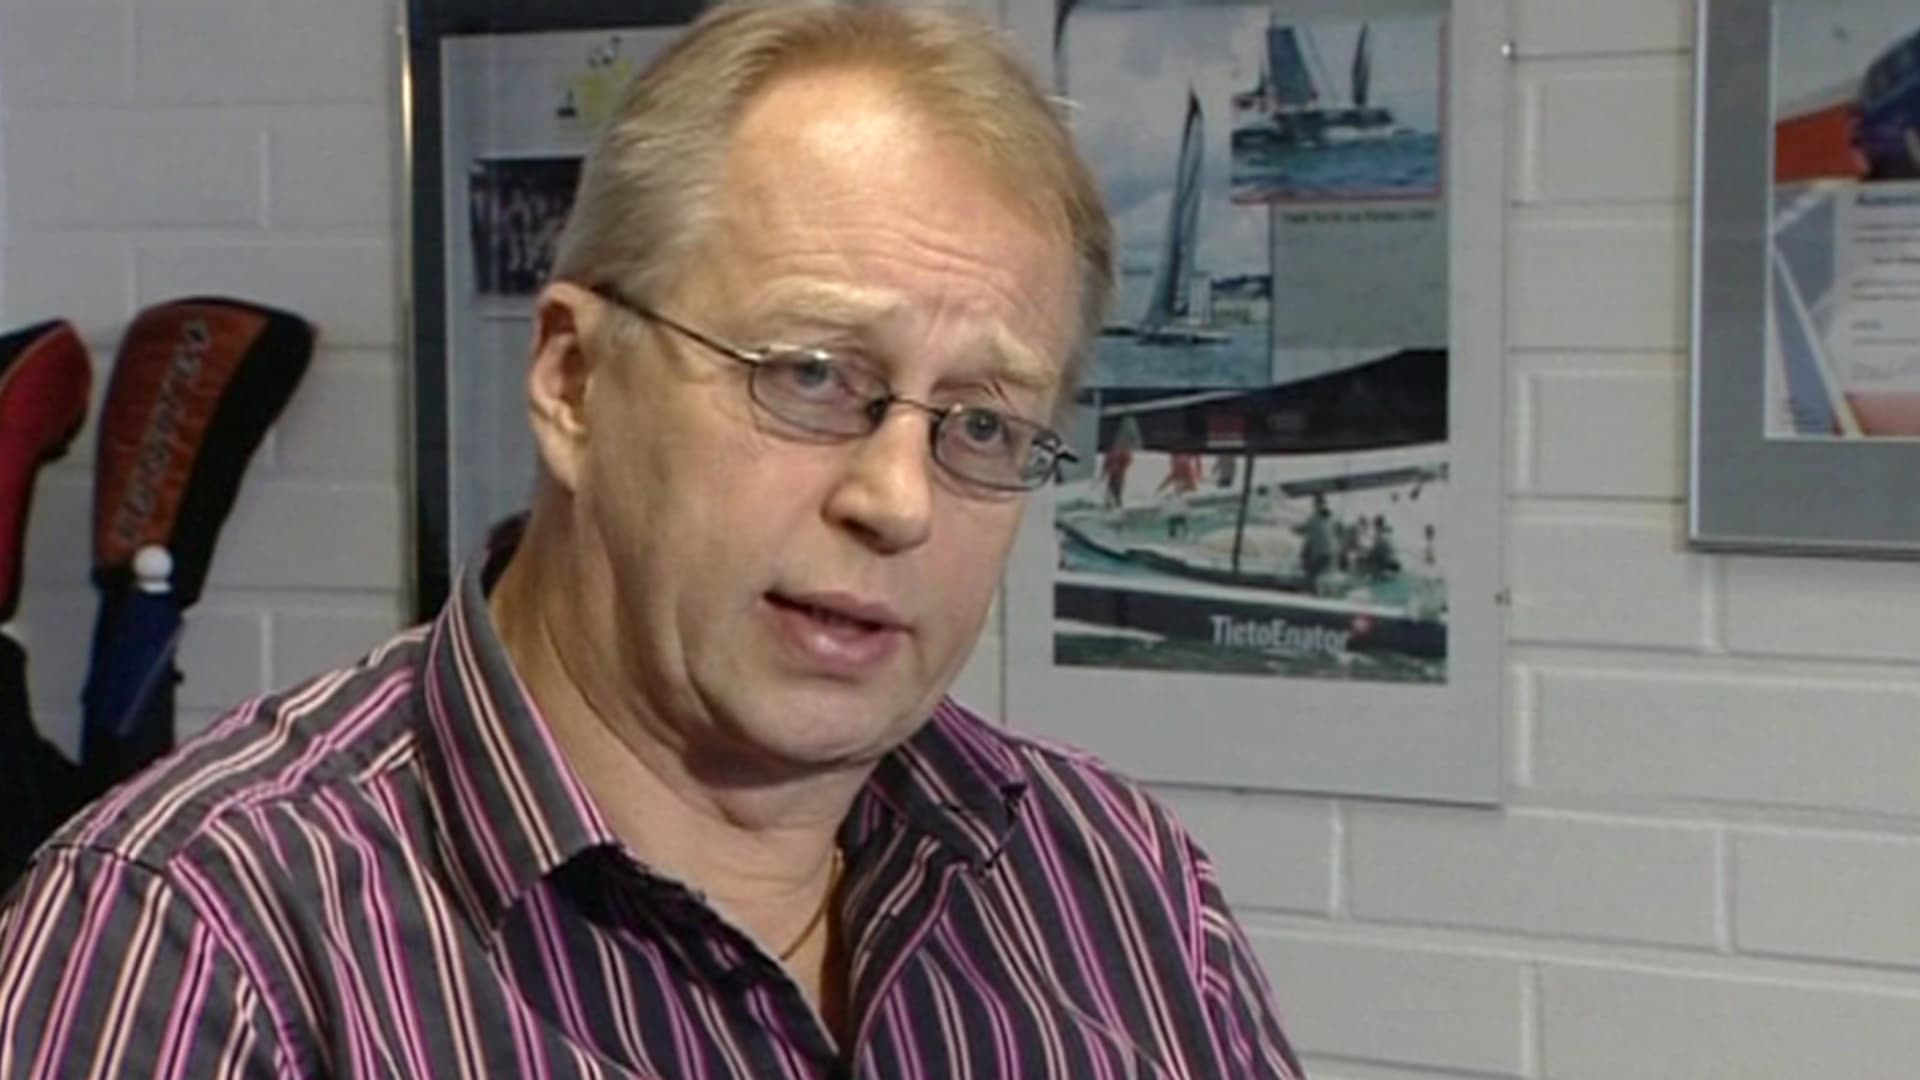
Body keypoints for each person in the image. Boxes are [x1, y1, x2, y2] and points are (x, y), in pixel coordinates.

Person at [0, 5, 1305, 1077]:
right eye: (810, 375)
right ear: (573, 381)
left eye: (980, 423)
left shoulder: (1118, 886)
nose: (898, 501)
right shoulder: (197, 938)